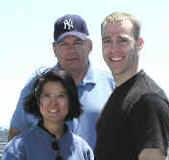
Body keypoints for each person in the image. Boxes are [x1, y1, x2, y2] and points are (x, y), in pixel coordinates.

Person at [8, 14, 114, 150]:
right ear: (54, 49)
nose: (71, 50)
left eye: (78, 43)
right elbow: (15, 138)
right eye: (64, 44)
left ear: (90, 45)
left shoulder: (111, 85)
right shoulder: (35, 86)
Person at [93, 12, 169, 160]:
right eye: (107, 41)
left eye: (122, 41)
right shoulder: (119, 94)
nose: (114, 49)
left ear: (139, 43)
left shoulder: (148, 99)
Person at [0, 69, 94, 160]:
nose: (53, 104)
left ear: (71, 101)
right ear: (38, 101)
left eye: (61, 96)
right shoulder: (17, 149)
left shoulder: (84, 151)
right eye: (47, 96)